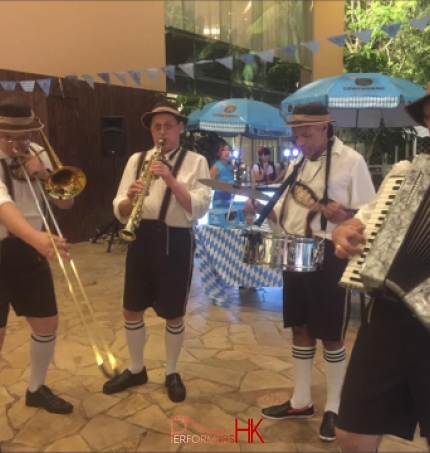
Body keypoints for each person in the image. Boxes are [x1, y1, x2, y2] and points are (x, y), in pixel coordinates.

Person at [244, 103, 375, 441]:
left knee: (332, 333)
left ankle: (334, 406)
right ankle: (301, 401)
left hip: (331, 253)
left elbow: (370, 215)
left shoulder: (352, 161)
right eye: (296, 134)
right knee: (300, 327)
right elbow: (287, 214)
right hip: (294, 252)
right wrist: (262, 211)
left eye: (306, 133)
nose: (300, 140)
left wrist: (343, 217)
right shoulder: (296, 164)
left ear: (325, 128)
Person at [333, 84, 430, 452]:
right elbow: (361, 222)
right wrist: (344, 231)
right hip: (387, 318)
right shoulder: (405, 174)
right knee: (352, 435)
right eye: (429, 120)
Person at [103, 101, 211, 402]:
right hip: (140, 236)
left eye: (168, 125)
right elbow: (119, 207)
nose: (162, 132)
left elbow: (200, 207)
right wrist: (129, 198)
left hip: (175, 240)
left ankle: (172, 371)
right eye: (157, 127)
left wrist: (169, 178)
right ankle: (137, 368)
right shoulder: (137, 159)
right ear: (151, 130)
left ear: (180, 128)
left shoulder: (196, 161)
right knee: (131, 308)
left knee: (173, 313)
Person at [0, 97, 74, 415]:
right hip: (19, 241)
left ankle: (36, 388)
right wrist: (37, 239)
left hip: (31, 249)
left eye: (25, 137)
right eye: (10, 137)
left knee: (46, 322)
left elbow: (66, 205)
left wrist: (45, 175)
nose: (18, 144)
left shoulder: (39, 153)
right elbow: (2, 206)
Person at [209, 141, 234, 208]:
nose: (227, 152)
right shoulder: (215, 167)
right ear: (218, 152)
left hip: (229, 197)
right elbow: (209, 185)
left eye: (228, 150)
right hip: (218, 199)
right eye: (224, 150)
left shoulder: (230, 167)